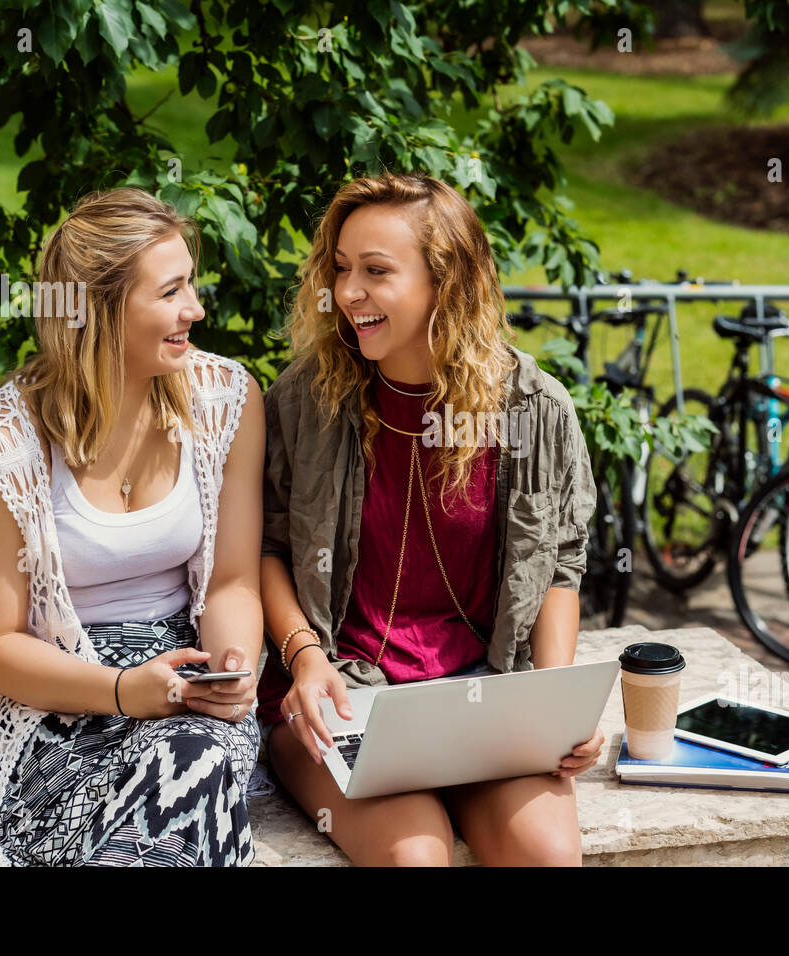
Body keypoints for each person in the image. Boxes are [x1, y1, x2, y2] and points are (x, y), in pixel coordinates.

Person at [254, 171, 602, 866]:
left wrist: (550, 711)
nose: (349, 293)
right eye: (343, 269)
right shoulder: (304, 400)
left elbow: (561, 562)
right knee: (416, 857)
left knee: (547, 854)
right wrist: (306, 659)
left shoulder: (535, 409)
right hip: (344, 696)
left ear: (445, 282)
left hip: (484, 696)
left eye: (377, 272)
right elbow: (264, 548)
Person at [0, 187, 268, 866]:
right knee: (190, 780)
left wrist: (231, 669)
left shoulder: (226, 399)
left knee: (195, 756)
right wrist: (120, 691)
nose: (194, 309)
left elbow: (230, 582)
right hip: (45, 706)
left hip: (180, 681)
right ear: (101, 312)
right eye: (170, 292)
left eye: (189, 284)